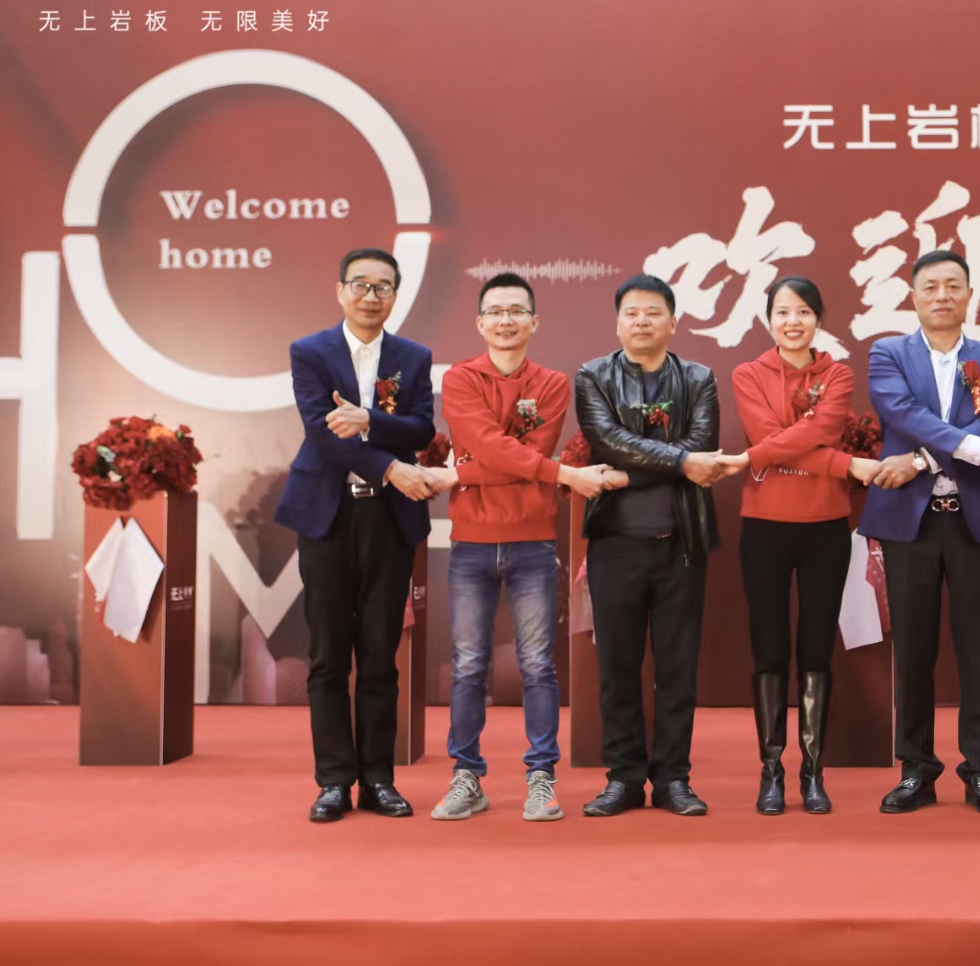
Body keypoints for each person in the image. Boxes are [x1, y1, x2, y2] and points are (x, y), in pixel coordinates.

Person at [422, 273, 612, 823]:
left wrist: (463, 472)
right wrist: (559, 474)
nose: (506, 320)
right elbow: (491, 447)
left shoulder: (551, 383)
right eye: (496, 311)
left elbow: (507, 454)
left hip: (532, 542)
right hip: (471, 544)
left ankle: (541, 778)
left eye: (516, 311)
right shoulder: (461, 378)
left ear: (534, 321)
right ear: (480, 323)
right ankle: (466, 777)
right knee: (468, 666)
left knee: (537, 665)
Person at [276, 248, 438, 824]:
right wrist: (390, 466)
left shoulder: (413, 357)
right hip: (328, 516)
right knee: (326, 657)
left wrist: (371, 420)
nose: (372, 296)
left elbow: (422, 428)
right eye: (361, 285)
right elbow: (322, 434)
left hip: (388, 521)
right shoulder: (310, 352)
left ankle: (378, 780)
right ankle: (333, 781)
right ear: (341, 290)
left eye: (383, 287)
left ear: (396, 294)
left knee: (379, 655)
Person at [859, 249, 980, 816]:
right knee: (913, 649)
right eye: (930, 286)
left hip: (976, 520)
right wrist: (967, 450)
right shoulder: (888, 353)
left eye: (953, 285)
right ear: (914, 296)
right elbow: (902, 413)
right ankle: (916, 770)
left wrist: (922, 461)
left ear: (970, 294)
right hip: (911, 522)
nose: (942, 295)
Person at [717, 276, 882, 815]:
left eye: (804, 312)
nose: (794, 322)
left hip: (824, 526)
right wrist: (845, 464)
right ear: (768, 319)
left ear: (818, 319)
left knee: (815, 647)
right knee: (769, 648)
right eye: (783, 312)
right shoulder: (748, 373)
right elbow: (770, 437)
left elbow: (814, 432)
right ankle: (771, 771)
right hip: (764, 526)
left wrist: (763, 455)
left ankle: (813, 772)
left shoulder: (837, 373)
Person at [574, 274, 723, 818]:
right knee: (617, 667)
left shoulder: (700, 378)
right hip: (615, 543)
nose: (642, 321)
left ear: (673, 322)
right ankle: (624, 779)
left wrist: (631, 469)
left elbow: (703, 444)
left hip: (682, 543)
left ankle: (673, 779)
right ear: (618, 323)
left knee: (677, 668)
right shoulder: (593, 376)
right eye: (632, 313)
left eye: (653, 312)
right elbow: (607, 440)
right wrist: (680, 463)